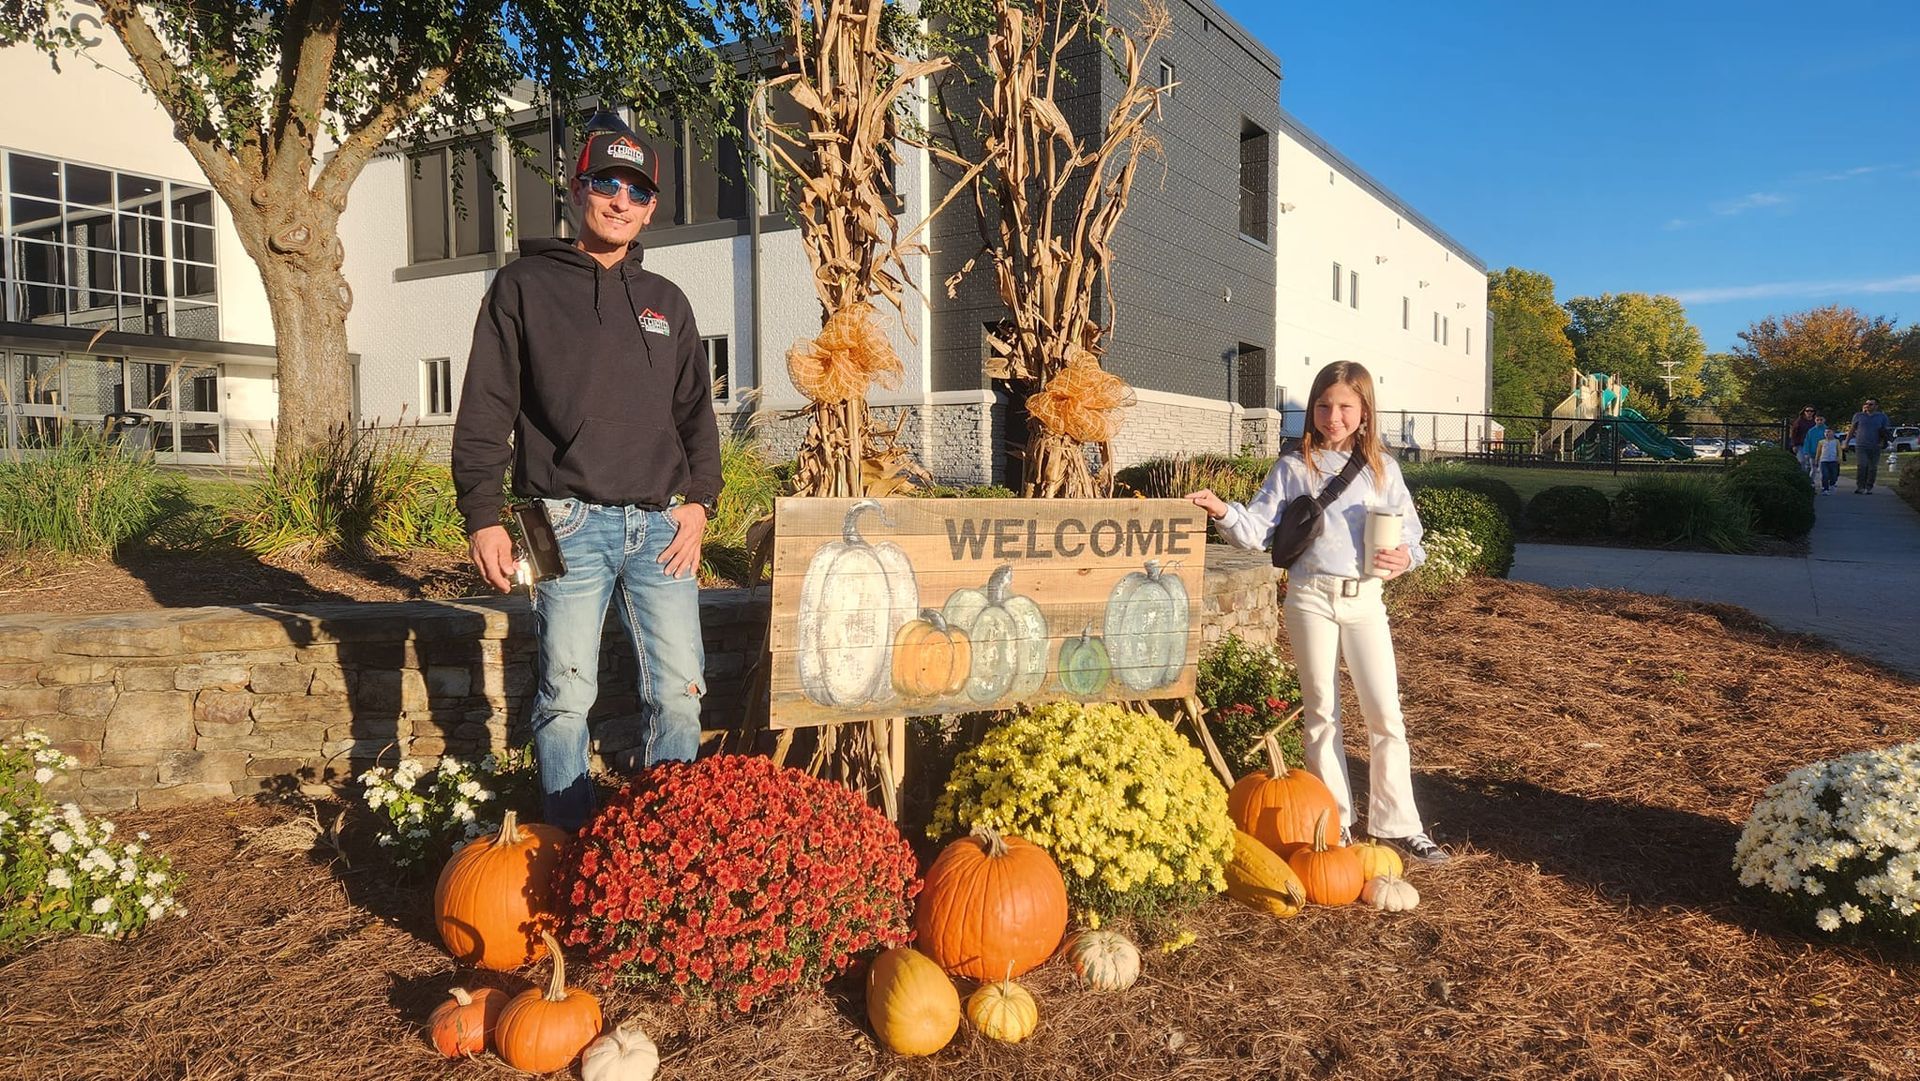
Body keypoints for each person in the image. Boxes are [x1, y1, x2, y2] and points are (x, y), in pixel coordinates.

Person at [451, 116, 723, 830]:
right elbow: (486, 406)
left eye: (636, 189)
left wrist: (699, 503)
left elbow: (697, 414)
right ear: (579, 190)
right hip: (563, 520)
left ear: (651, 206)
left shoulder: (669, 301)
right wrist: (483, 514)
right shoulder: (524, 287)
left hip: (660, 527)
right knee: (566, 697)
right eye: (607, 182)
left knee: (679, 694)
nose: (620, 200)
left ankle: (666, 854)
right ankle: (567, 851)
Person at [1187, 360, 1447, 864]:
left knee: (1385, 713)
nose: (1334, 416)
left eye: (1345, 406)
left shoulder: (1383, 470)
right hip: (1310, 597)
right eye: (1324, 405)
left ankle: (1399, 824)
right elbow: (1258, 531)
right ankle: (1338, 824)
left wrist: (1405, 558)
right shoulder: (1293, 466)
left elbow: (1412, 537)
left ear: (1365, 410)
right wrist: (1221, 510)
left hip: (1366, 599)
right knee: (1322, 713)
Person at [1850, 398, 1892, 493]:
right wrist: (1846, 441)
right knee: (1862, 465)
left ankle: (1869, 487)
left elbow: (1885, 431)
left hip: (1875, 445)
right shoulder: (1858, 416)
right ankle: (1860, 486)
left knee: (1872, 467)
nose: (1868, 406)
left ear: (1876, 406)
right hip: (1861, 445)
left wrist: (1883, 441)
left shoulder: (1882, 417)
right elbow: (1852, 429)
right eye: (1867, 404)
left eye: (1871, 404)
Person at [1816, 426, 1843, 494]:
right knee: (1825, 474)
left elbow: (1839, 450)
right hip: (1824, 460)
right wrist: (1817, 460)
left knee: (1834, 475)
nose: (1827, 434)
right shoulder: (1821, 442)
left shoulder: (1836, 441)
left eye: (1829, 432)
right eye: (1825, 432)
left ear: (1833, 433)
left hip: (1833, 461)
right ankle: (1825, 488)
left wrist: (1839, 458)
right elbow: (1818, 452)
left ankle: (1832, 484)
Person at [1791, 406, 1818, 474]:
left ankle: (1809, 479)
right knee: (1802, 461)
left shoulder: (1816, 422)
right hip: (1800, 444)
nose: (1809, 412)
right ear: (1804, 412)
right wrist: (1794, 445)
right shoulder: (1799, 421)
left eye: (1811, 411)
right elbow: (1794, 434)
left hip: (1812, 445)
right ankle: (1804, 477)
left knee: (1810, 463)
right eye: (1807, 411)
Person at [1800, 413, 1827, 481]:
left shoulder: (1827, 430)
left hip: (1823, 453)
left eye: (1821, 420)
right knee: (1813, 469)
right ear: (1815, 420)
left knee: (1822, 469)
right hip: (1813, 453)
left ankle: (1823, 484)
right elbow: (1807, 442)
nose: (1819, 421)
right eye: (1817, 420)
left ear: (1824, 420)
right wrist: (1806, 452)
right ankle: (1811, 482)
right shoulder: (1811, 431)